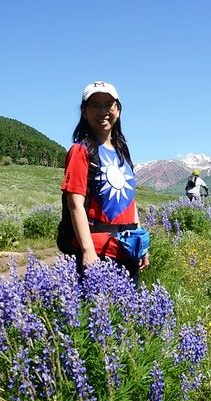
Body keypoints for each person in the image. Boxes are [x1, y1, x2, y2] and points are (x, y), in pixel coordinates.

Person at [58, 80, 149, 285]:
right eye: (95, 105)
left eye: (109, 104)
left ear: (118, 109)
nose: (103, 111)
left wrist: (140, 243)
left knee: (126, 316)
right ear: (84, 111)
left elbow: (130, 201)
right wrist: (87, 250)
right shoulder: (81, 151)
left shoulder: (122, 153)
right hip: (98, 252)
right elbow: (75, 204)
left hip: (127, 249)